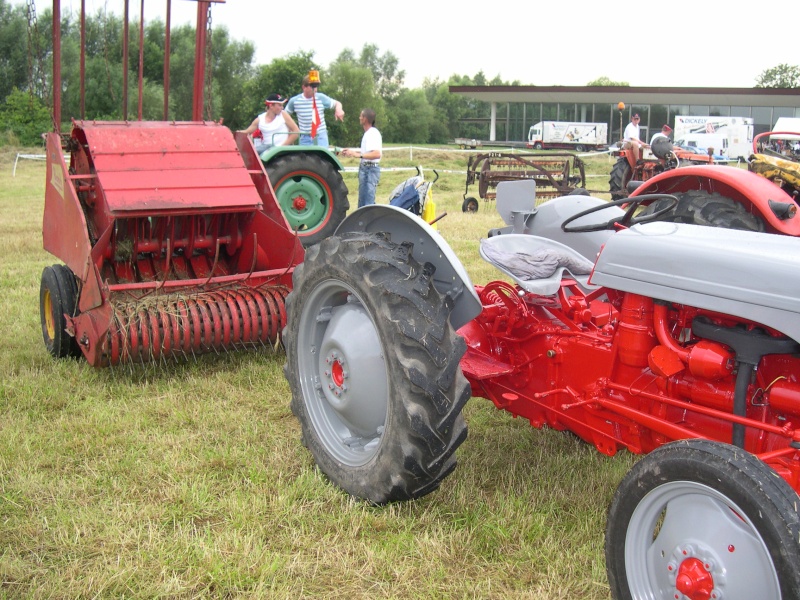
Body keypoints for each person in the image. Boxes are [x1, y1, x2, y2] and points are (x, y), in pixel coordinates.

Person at [285, 70, 344, 147]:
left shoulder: (321, 97)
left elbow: (337, 103)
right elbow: (284, 115)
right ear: (304, 87)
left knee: (322, 158)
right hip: (305, 137)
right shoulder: (295, 101)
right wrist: (290, 128)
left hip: (320, 135)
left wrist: (339, 110)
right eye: (312, 86)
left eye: (316, 86)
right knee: (304, 158)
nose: (315, 89)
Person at [342, 109, 382, 208]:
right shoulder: (368, 133)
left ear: (365, 119)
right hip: (365, 169)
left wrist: (358, 155)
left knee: (368, 201)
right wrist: (352, 152)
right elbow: (367, 153)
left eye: (361, 116)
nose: (359, 118)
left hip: (370, 170)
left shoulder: (373, 133)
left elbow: (377, 154)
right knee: (363, 202)